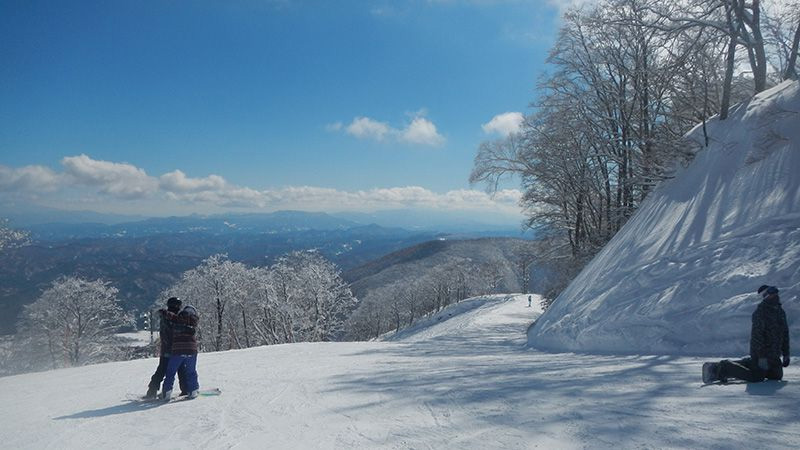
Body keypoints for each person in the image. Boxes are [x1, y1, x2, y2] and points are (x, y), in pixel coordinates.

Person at [705, 285, 790, 383]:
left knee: (776, 376)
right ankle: (726, 367)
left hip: (774, 355)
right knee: (757, 378)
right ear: (766, 296)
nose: (776, 295)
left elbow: (785, 333)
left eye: (776, 293)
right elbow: (756, 337)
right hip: (761, 354)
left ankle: (748, 363)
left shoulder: (780, 312)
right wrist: (761, 357)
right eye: (772, 293)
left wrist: (786, 354)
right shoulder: (760, 313)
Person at [144, 297, 187, 399]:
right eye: (178, 306)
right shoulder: (171, 317)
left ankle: (152, 390)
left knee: (162, 369)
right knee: (180, 369)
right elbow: (175, 331)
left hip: (166, 348)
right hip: (174, 348)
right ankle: (186, 389)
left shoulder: (165, 316)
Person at [160, 303, 200, 400]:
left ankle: (167, 393)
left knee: (171, 372)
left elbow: (172, 317)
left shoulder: (179, 318)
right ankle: (193, 391)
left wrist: (164, 312)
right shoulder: (194, 321)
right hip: (192, 350)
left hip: (178, 349)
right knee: (191, 371)